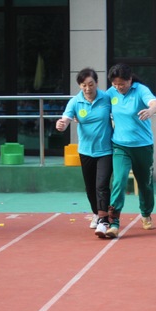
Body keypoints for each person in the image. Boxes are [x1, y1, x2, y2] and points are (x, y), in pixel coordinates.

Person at [105, 63, 156, 238]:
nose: (118, 87)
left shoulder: (140, 90)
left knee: (145, 183)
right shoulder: (111, 93)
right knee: (119, 181)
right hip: (120, 145)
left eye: (121, 84)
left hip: (142, 146)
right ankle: (114, 222)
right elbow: (96, 104)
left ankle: (146, 214)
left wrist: (150, 110)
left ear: (130, 80)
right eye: (115, 84)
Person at [56, 68, 113, 238]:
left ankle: (104, 221)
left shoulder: (106, 98)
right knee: (90, 187)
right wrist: (62, 124)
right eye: (84, 85)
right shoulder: (75, 102)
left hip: (105, 150)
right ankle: (96, 213)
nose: (88, 88)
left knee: (101, 185)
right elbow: (66, 117)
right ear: (80, 86)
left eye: (91, 84)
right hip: (86, 151)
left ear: (96, 83)